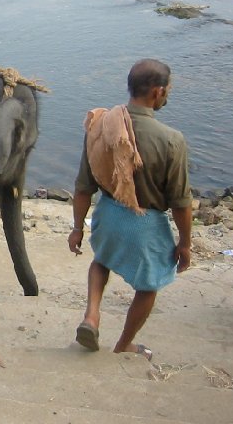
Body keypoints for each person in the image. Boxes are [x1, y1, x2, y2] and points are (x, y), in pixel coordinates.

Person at [69, 59, 193, 361]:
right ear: (157, 92)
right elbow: (180, 202)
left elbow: (84, 187)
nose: (167, 96)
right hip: (144, 223)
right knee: (149, 285)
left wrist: (78, 227)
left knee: (102, 261)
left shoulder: (101, 126)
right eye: (168, 91)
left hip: (108, 215)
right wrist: (185, 243)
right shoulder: (172, 140)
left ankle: (92, 316)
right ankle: (124, 344)